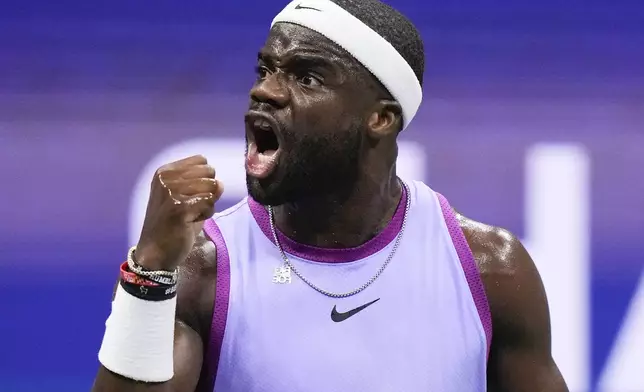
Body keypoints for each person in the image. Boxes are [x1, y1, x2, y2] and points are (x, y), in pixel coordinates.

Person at [92, 0, 569, 391]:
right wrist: (149, 268)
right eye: (265, 69)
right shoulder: (202, 271)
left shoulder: (490, 271)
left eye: (306, 78)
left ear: (380, 118)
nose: (265, 91)